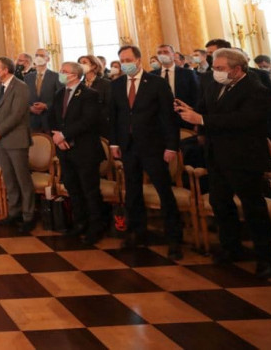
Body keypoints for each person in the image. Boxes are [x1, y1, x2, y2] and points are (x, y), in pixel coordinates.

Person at [176, 48, 271, 279]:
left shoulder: (255, 89)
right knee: (220, 203)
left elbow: (244, 120)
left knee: (253, 208)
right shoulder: (213, 84)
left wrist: (201, 119)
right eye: (214, 68)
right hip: (216, 155)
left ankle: (264, 257)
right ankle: (231, 248)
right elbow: (206, 109)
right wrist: (191, 111)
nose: (215, 72)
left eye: (220, 69)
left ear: (237, 69)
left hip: (243, 157)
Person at [110, 45, 183, 260]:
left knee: (164, 192)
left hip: (154, 146)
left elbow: (168, 118)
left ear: (139, 60)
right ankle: (136, 232)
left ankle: (174, 238)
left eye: (129, 59)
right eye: (122, 60)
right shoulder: (116, 85)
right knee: (132, 192)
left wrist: (171, 146)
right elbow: (114, 117)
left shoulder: (157, 83)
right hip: (128, 146)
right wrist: (114, 143)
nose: (125, 63)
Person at [51, 62, 106, 244]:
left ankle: (95, 227)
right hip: (65, 150)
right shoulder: (60, 94)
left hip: (85, 150)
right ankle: (79, 223)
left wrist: (65, 135)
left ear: (74, 75)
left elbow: (88, 120)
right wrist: (58, 137)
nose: (61, 74)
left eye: (63, 71)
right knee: (73, 189)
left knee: (90, 191)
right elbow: (55, 118)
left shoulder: (90, 94)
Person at [0, 57, 35, 232]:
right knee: (9, 179)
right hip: (0, 141)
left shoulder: (20, 87)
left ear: (6, 70)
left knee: (23, 179)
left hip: (16, 139)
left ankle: (28, 215)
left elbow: (17, 114)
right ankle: (14, 212)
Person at [24, 48, 62, 133]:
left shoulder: (57, 76)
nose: (38, 57)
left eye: (41, 55)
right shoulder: (27, 77)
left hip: (50, 120)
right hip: (32, 121)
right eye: (36, 55)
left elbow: (61, 98)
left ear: (48, 59)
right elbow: (22, 97)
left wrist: (46, 106)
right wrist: (30, 108)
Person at [77, 55, 110, 139]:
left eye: (84, 62)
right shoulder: (79, 85)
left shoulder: (106, 84)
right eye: (79, 63)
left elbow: (109, 106)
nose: (81, 65)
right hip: (83, 127)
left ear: (94, 65)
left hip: (101, 126)